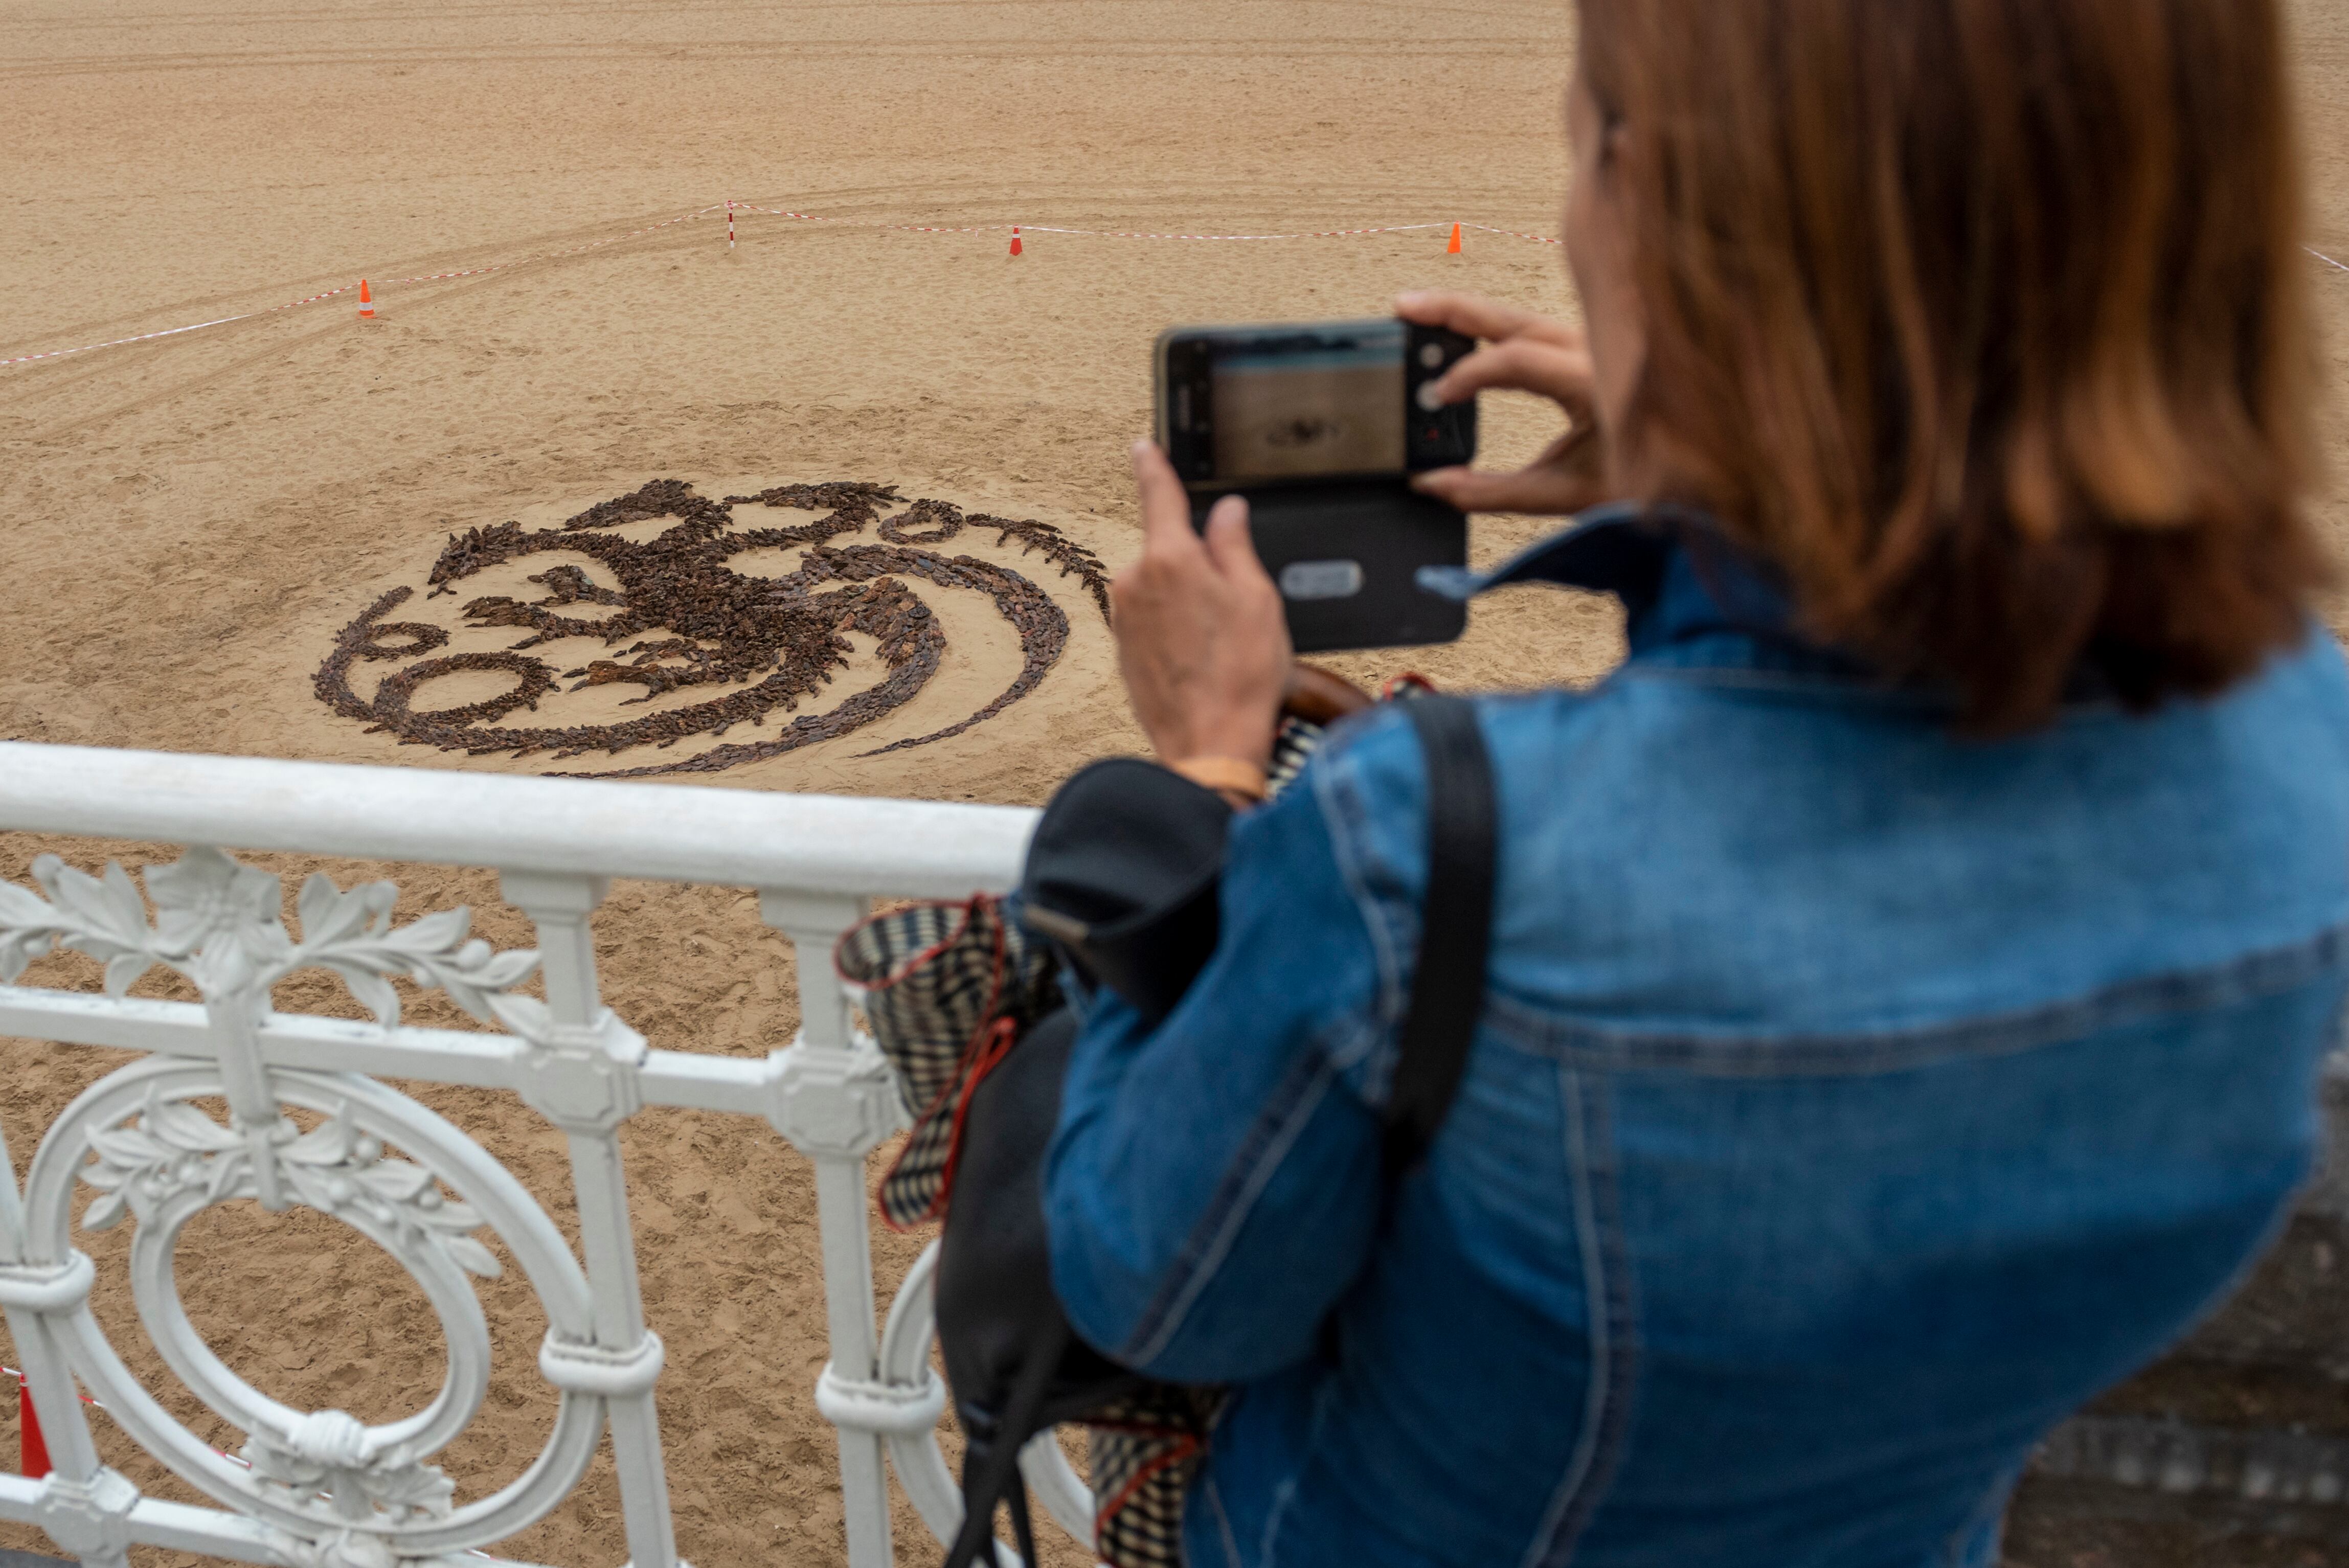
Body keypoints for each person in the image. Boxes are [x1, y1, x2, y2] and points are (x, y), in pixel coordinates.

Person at [1040, 2, 2347, 1565]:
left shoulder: (1430, 846)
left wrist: (1199, 768)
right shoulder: (2302, 750)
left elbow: (1161, 1287)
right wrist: (1734, 475)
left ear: (1653, 209)